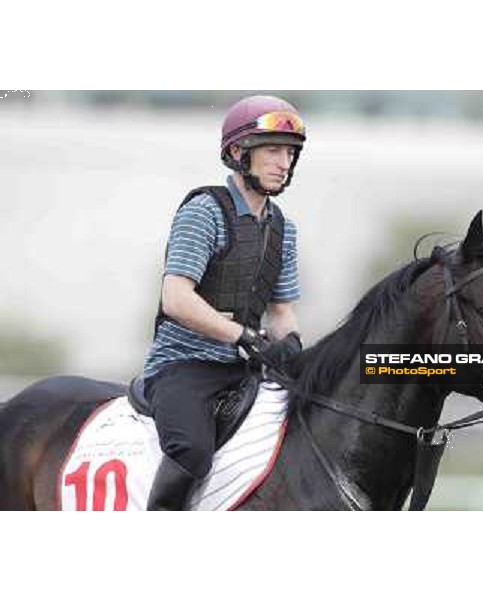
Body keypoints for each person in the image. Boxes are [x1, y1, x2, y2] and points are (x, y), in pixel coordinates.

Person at [142, 95, 306, 510]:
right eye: (272, 149)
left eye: (289, 152)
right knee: (193, 450)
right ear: (238, 152)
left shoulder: (284, 228)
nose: (283, 161)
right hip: (183, 366)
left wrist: (294, 351)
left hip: (245, 369)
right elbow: (176, 297)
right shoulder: (203, 212)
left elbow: (282, 312)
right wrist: (244, 335)